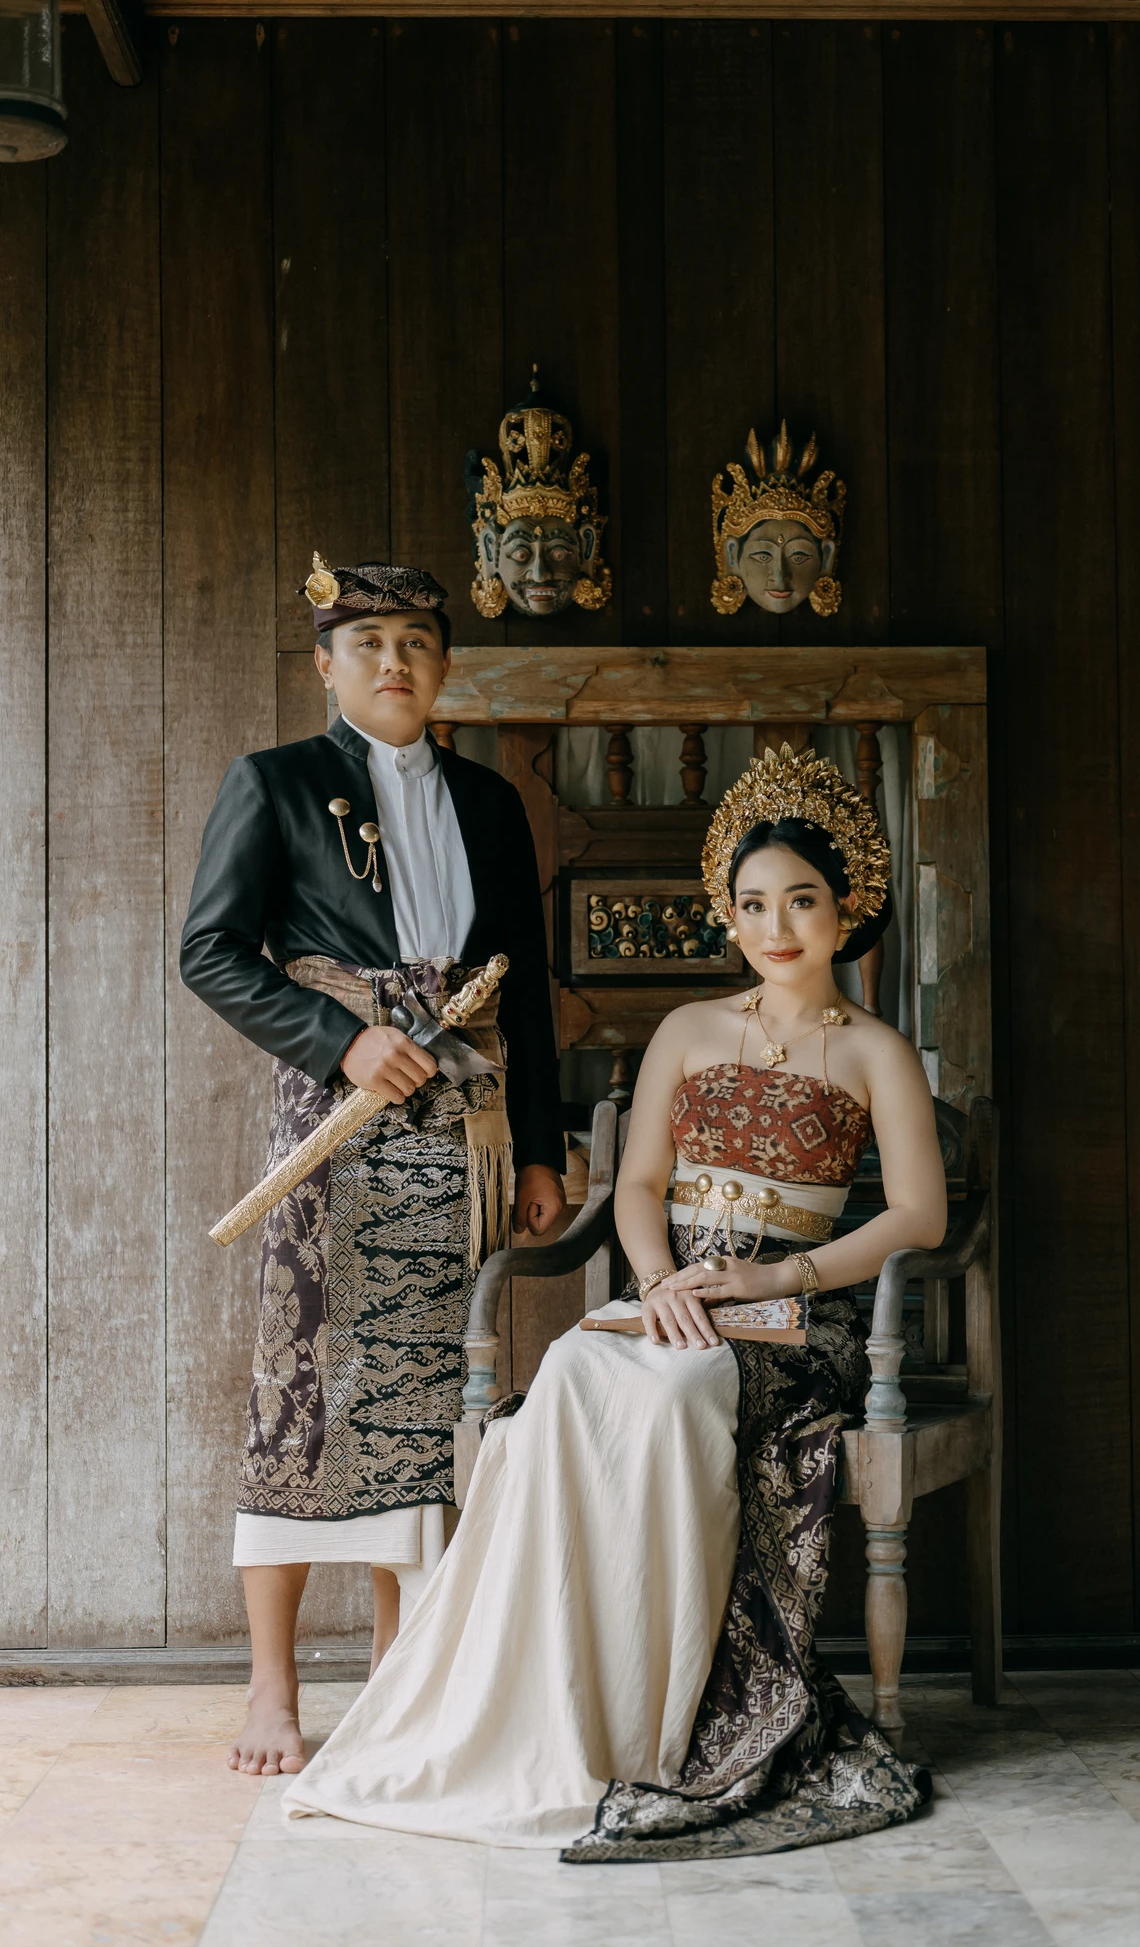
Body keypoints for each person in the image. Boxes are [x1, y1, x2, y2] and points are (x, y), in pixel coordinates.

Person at [282, 743, 946, 1861]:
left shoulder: (878, 1051)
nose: (776, 926)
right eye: (752, 903)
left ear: (847, 906)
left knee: (676, 1392)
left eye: (801, 900)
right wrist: (662, 1279)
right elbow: (635, 1187)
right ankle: (552, 1708)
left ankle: (662, 1713)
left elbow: (919, 1215)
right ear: (726, 914)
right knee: (573, 1376)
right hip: (673, 1294)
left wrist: (774, 1278)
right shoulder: (688, 1030)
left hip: (797, 1314)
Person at [179, 554, 565, 1779]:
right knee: (300, 1388)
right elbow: (210, 951)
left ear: (442, 664)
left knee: (421, 1395)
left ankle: (402, 1676)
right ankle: (273, 1684)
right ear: (325, 664)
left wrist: (542, 1145)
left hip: (463, 1130)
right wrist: (342, 1039)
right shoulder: (277, 783)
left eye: (416, 642)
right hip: (333, 1125)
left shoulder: (491, 801)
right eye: (368, 644)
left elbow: (527, 993)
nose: (394, 662)